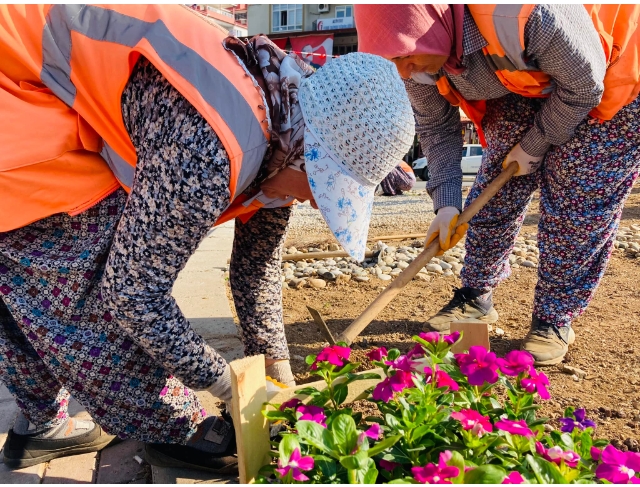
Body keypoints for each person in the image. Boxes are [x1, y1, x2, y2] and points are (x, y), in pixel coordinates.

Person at [0, 5, 415, 472]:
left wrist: (275, 368)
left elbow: (256, 271)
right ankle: (176, 428)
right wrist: (226, 385)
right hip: (17, 94)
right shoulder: (211, 148)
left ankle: (42, 425)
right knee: (73, 274)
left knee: (19, 278)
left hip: (32, 82)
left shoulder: (283, 107)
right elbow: (134, 297)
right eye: (323, 192)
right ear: (308, 159)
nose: (316, 205)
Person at [355, 4, 640, 365]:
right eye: (390, 60)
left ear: (431, 26)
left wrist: (535, 143)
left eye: (405, 54)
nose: (403, 71)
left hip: (610, 73)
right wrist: (445, 204)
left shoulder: (522, 14)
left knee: (577, 203)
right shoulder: (415, 66)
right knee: (494, 193)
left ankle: (554, 319)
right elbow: (436, 129)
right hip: (525, 83)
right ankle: (476, 297)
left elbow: (585, 87)